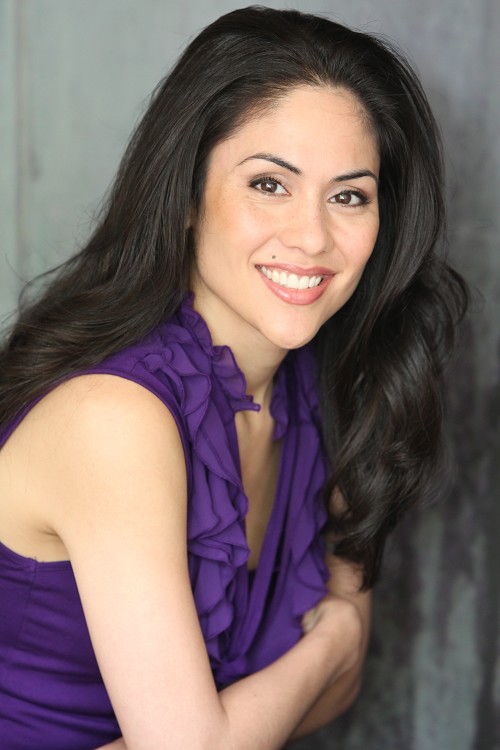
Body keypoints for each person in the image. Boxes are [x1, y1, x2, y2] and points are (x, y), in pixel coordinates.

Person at [0, 6, 468, 750]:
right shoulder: (113, 418)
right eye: (269, 184)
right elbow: (232, 726)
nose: (311, 237)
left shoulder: (335, 391)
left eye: (349, 195)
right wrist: (333, 643)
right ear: (186, 197)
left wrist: (279, 696)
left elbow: (332, 698)